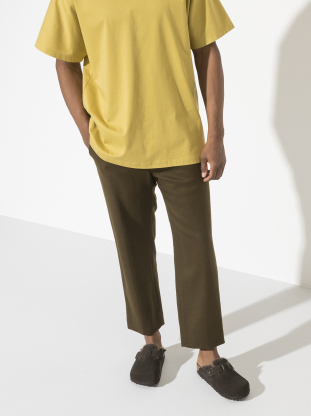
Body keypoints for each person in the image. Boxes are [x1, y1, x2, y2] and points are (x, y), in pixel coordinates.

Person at [35, 0, 249, 400]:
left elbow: (207, 49)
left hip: (182, 143)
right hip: (114, 146)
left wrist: (215, 135)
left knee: (197, 248)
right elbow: (64, 60)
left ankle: (207, 355)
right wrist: (86, 131)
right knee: (132, 245)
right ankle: (151, 342)